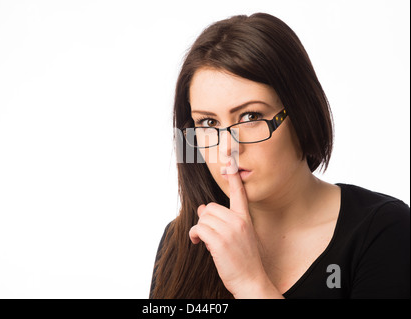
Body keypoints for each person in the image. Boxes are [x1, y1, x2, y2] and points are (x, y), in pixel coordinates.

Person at [149, 13, 410, 299]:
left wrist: (251, 283)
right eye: (208, 123)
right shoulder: (184, 240)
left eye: (251, 116)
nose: (227, 149)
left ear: (301, 114)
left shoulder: (385, 230)